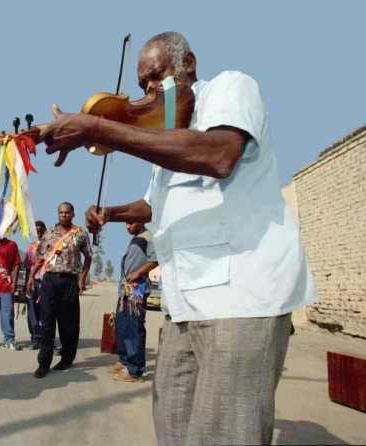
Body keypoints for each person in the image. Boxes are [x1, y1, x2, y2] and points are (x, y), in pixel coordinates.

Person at [35, 32, 317, 445]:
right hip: (186, 304)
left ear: (189, 62)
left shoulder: (230, 88)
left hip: (242, 296)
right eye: (141, 85)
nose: (147, 91)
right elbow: (153, 206)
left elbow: (219, 155)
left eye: (156, 76)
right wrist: (109, 214)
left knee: (225, 433)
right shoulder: (170, 135)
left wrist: (99, 127)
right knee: (173, 424)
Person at [28, 202, 91, 378]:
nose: (64, 215)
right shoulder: (49, 233)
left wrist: (82, 277)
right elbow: (40, 258)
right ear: (58, 214)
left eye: (67, 213)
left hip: (69, 282)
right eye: (61, 213)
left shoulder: (79, 234)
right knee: (47, 322)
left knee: (69, 324)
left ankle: (66, 359)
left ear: (73, 214)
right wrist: (31, 277)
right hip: (49, 281)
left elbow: (88, 257)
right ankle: (44, 363)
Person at [110, 222, 158, 383]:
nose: (127, 226)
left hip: (137, 291)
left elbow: (155, 260)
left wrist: (138, 273)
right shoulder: (136, 238)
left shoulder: (148, 238)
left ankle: (135, 370)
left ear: (141, 220)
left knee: (133, 328)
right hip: (126, 290)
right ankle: (124, 360)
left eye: (131, 222)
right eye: (126, 223)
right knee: (122, 325)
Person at [24, 220, 47, 349]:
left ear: (45, 231)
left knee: (46, 310)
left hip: (46, 282)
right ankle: (35, 337)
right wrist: (28, 282)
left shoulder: (51, 246)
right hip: (34, 281)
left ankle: (45, 337)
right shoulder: (31, 247)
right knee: (32, 311)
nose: (39, 233)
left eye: (41, 231)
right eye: (37, 231)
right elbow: (27, 266)